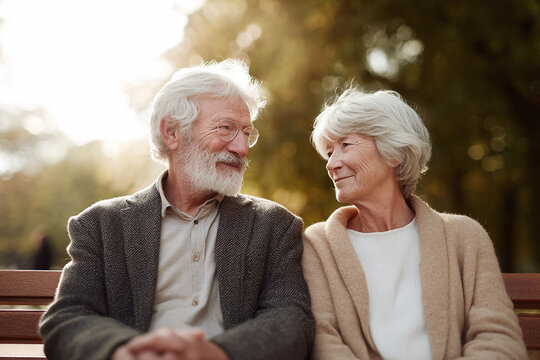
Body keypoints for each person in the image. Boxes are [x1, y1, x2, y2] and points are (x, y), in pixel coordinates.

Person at [39, 59, 314, 360]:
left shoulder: (274, 225)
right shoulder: (101, 225)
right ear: (172, 132)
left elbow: (291, 321)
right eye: (226, 128)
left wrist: (218, 353)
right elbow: (68, 316)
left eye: (246, 133)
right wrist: (124, 352)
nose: (242, 148)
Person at [302, 88, 527, 359]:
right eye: (329, 152)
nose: (331, 164)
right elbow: (323, 341)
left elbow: (498, 337)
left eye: (345, 145)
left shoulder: (464, 237)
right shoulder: (318, 245)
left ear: (394, 153)